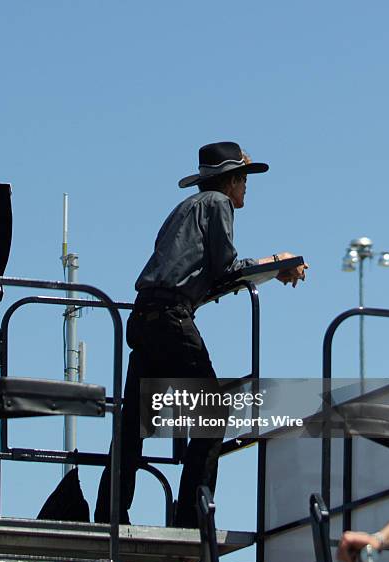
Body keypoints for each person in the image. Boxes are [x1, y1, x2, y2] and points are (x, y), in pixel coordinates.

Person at [95, 141, 308, 527]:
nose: (247, 188)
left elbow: (203, 280)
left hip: (146, 316)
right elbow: (226, 269)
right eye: (244, 179)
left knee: (135, 420)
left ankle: (109, 511)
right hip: (171, 318)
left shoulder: (185, 210)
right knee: (213, 414)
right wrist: (278, 263)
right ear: (231, 181)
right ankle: (191, 517)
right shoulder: (217, 205)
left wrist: (273, 269)